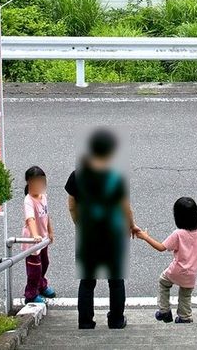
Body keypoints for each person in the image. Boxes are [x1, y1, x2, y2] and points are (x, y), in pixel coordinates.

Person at [65, 128, 138, 330]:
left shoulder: (78, 175)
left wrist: (79, 224)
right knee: (116, 280)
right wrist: (131, 225)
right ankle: (116, 320)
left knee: (87, 281)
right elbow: (125, 206)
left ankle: (86, 321)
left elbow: (71, 203)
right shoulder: (116, 176)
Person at [136, 197, 197, 324]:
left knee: (163, 282)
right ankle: (184, 317)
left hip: (177, 270)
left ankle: (164, 310)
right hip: (192, 273)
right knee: (185, 295)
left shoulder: (178, 234)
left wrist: (146, 237)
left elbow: (161, 247)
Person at [22, 165, 56, 304]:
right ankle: (30, 294)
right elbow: (31, 219)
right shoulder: (28, 201)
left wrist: (50, 231)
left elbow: (46, 215)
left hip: (43, 239)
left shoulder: (43, 197)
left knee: (45, 263)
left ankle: (41, 285)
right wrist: (35, 235)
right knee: (35, 269)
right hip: (33, 241)